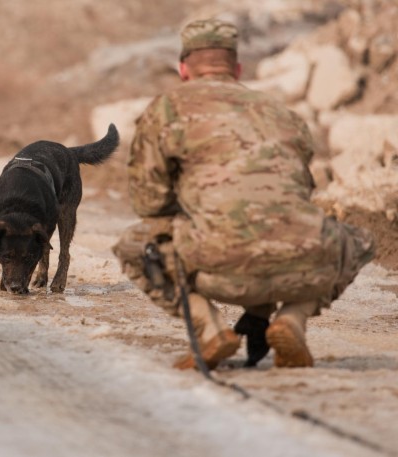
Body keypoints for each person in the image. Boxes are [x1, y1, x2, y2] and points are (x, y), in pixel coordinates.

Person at [113, 18, 375, 370]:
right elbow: (299, 194)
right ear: (237, 68)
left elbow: (149, 202)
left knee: (133, 244)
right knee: (360, 240)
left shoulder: (166, 109)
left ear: (183, 69)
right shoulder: (281, 112)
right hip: (304, 266)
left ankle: (210, 329)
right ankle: (293, 319)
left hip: (218, 269)